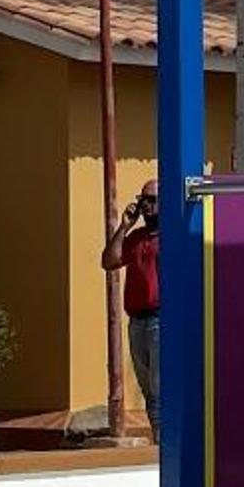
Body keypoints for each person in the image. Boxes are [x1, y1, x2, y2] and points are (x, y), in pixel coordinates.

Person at [103, 179, 161, 434]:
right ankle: (158, 437)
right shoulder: (136, 238)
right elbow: (109, 261)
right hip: (137, 320)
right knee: (147, 386)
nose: (146, 205)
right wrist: (125, 226)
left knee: (160, 385)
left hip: (161, 319)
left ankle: (164, 440)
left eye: (152, 200)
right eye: (143, 200)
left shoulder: (174, 236)